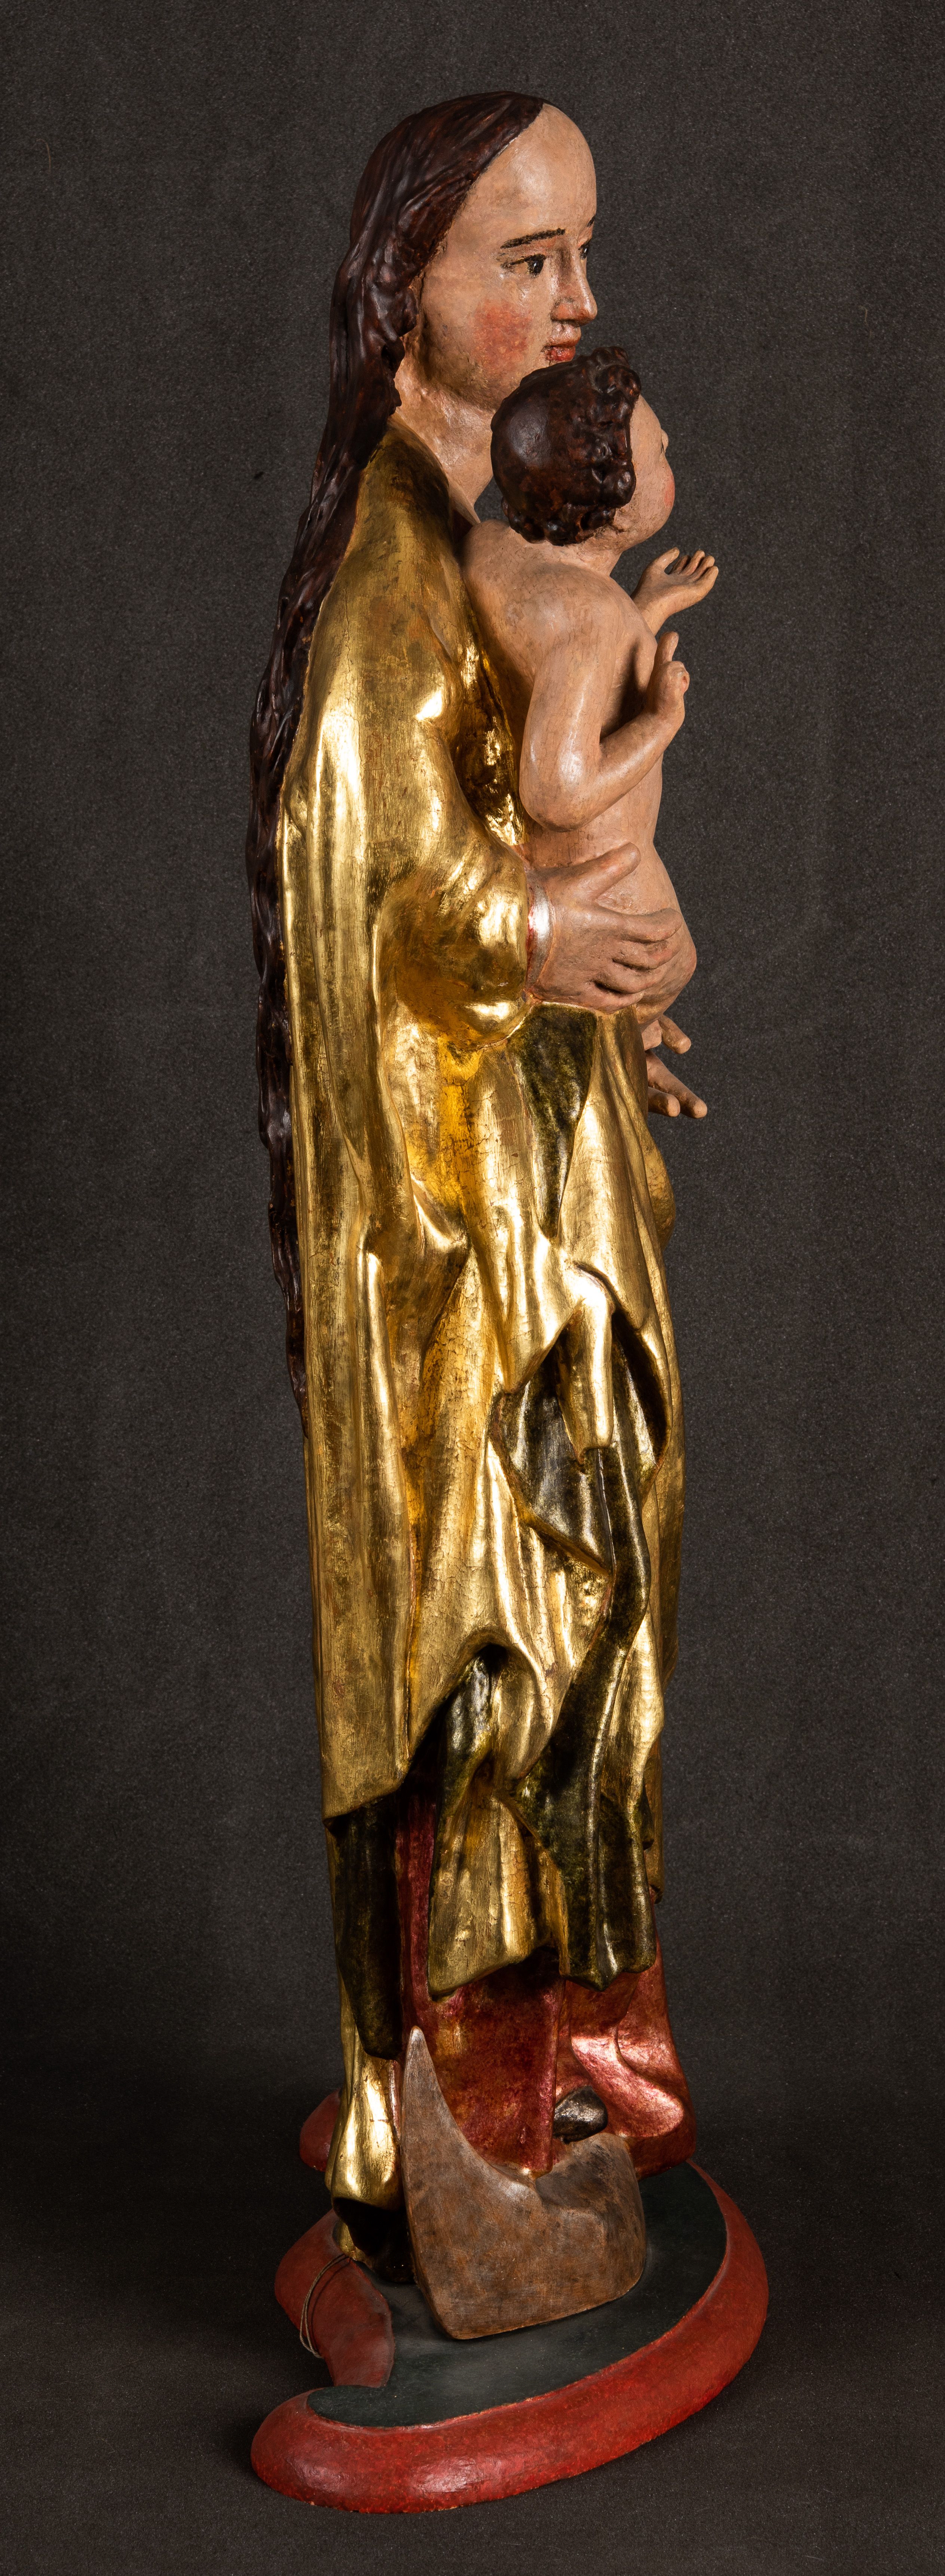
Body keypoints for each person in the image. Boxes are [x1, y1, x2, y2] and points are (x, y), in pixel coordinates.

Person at [247, 95, 699, 2276]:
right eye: (526, 258)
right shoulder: (389, 576)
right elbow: (361, 885)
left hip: (547, 1166)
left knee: (595, 1605)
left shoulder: (484, 531)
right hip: (466, 1243)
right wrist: (542, 933)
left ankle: (555, 2084)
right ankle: (474, 2125)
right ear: (400, 290)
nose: (576, 299)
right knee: (505, 1643)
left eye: (581, 252)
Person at [463, 345, 717, 1118]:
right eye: (658, 452)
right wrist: (660, 723)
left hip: (551, 877)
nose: (670, 447)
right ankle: (627, 1034)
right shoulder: (586, 614)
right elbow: (558, 791)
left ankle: (621, 1042)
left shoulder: (496, 550)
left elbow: (568, 671)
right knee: (674, 956)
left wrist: (647, 609)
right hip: (606, 897)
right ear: (616, 500)